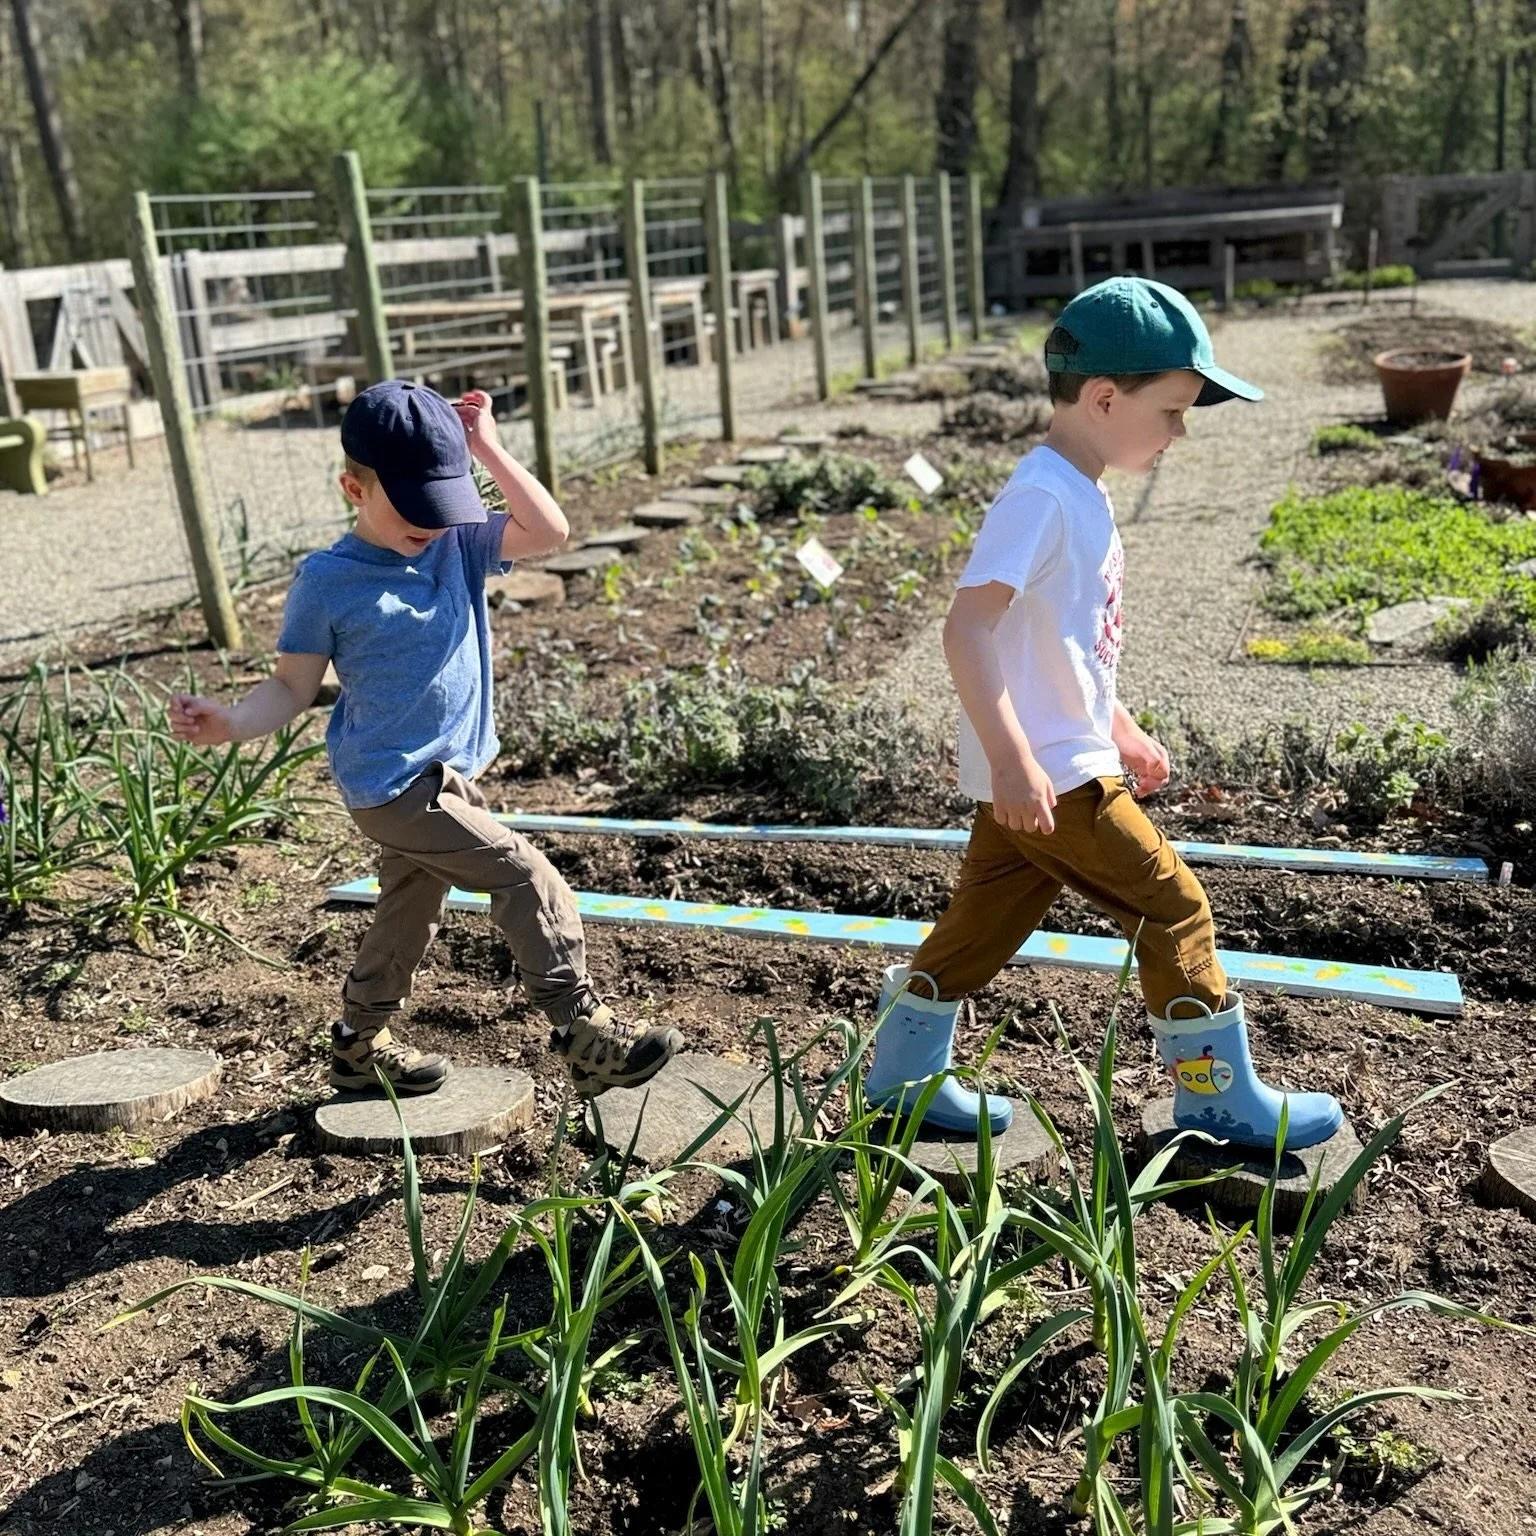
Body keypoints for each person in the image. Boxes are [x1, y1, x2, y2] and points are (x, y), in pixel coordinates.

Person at [864, 277, 1341, 1151]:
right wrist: (1011, 760)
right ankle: (1214, 1097)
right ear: (1104, 398)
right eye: (1171, 411)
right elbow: (968, 626)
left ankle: (899, 1077)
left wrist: (1119, 726)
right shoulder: (1043, 497)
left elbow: (1063, 642)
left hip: (1057, 762)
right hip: (1056, 775)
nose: (1180, 431)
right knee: (1176, 910)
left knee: (980, 930)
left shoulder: (1078, 490)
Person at [170, 381, 682, 1099]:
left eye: (446, 504)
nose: (433, 525)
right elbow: (291, 686)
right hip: (389, 786)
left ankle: (357, 1044)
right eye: (416, 508)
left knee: (410, 909)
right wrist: (229, 723)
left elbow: (550, 531)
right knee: (523, 874)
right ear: (354, 488)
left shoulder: (458, 546)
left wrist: (490, 449)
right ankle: (582, 1028)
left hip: (446, 777)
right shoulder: (328, 581)